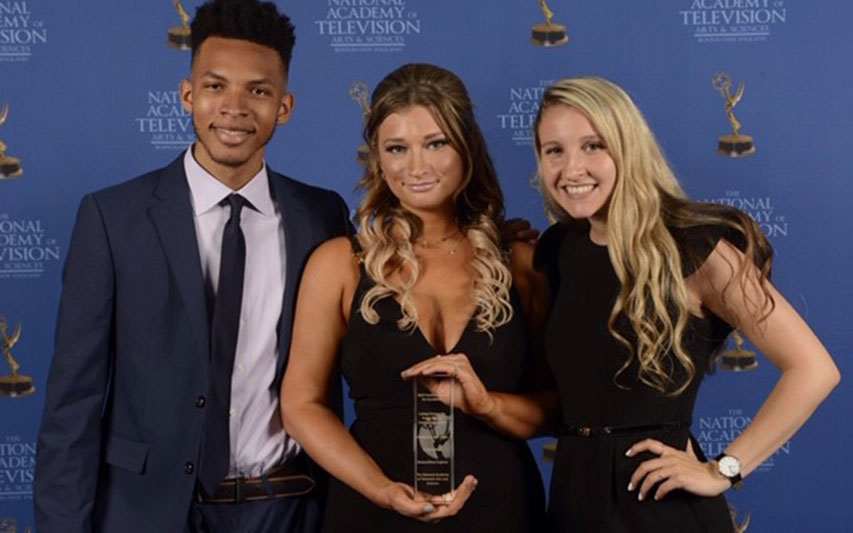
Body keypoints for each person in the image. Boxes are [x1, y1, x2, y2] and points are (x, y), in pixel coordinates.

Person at [405, 76, 840, 532]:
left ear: (628, 146)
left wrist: (723, 469)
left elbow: (813, 369)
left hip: (659, 507)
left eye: (593, 146)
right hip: (573, 499)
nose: (571, 169)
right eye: (554, 151)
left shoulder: (697, 248)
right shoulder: (557, 250)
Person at [34, 1, 351, 531]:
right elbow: (73, 404)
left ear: (286, 106)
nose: (235, 107)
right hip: (148, 513)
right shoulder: (113, 218)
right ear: (187, 96)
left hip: (287, 509)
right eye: (215, 86)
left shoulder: (323, 215)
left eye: (258, 90)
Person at [280, 63, 549, 532]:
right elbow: (301, 406)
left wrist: (487, 405)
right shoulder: (340, 264)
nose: (416, 167)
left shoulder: (521, 262)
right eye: (397, 148)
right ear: (377, 159)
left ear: (467, 146)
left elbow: (557, 406)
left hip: (501, 510)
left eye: (436, 143)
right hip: (370, 511)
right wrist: (380, 489)